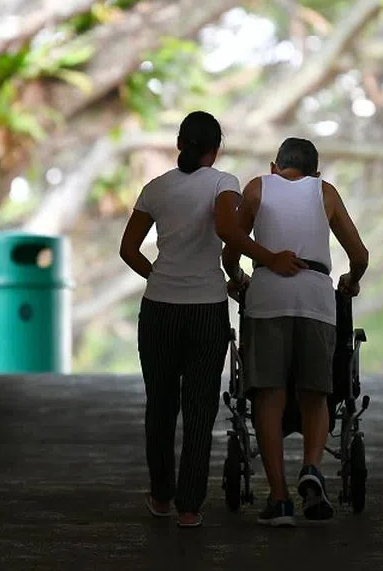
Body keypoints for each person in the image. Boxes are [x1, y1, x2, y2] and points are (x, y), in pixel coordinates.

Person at [119, 111, 305, 528]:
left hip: (159, 311)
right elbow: (226, 228)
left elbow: (129, 249)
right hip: (206, 309)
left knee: (161, 407)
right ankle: (189, 507)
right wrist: (268, 257)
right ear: (215, 149)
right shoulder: (224, 183)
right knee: (200, 409)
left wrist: (160, 276)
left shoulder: (155, 188)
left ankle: (162, 498)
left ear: (179, 143)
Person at [222, 137, 369, 527]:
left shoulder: (257, 187)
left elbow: (230, 252)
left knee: (269, 397)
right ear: (315, 172)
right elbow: (360, 255)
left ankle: (280, 500)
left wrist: (237, 280)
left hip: (267, 295)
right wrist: (351, 281)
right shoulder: (325, 192)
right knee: (315, 394)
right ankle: (311, 467)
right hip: (316, 298)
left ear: (275, 167)